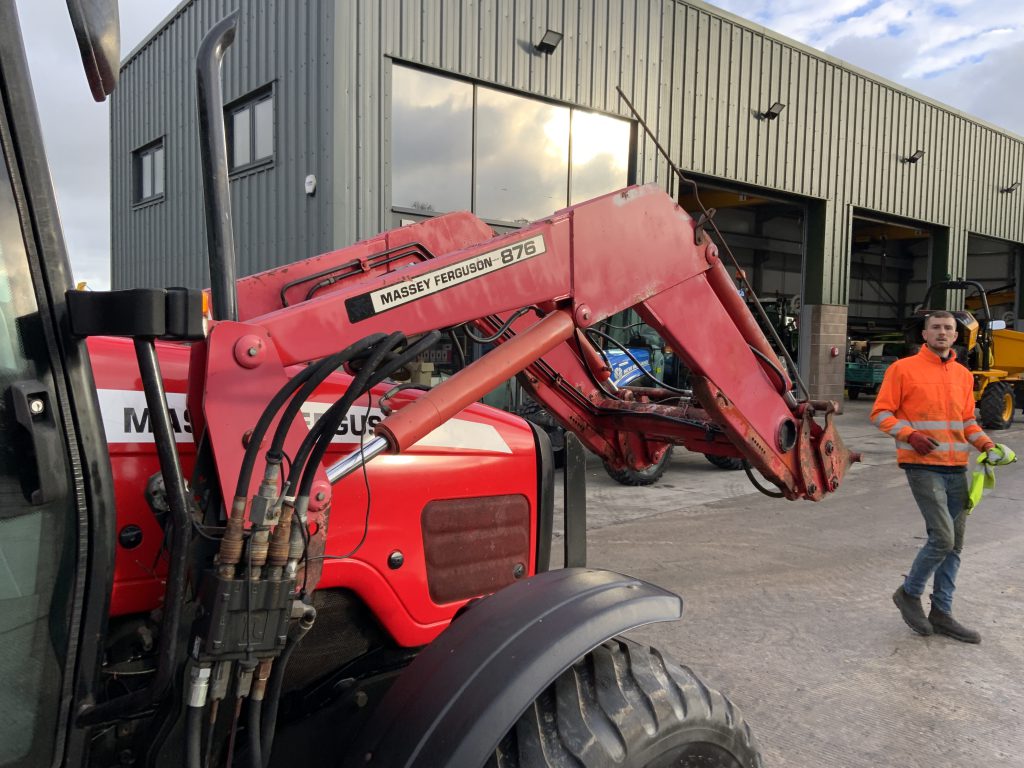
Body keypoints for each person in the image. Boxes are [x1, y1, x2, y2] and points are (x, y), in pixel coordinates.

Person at [870, 310, 1014, 643]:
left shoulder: (964, 376)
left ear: (955, 336)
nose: (942, 332)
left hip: (956, 467)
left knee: (956, 545)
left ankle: (943, 612)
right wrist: (910, 435)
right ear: (924, 334)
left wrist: (987, 444)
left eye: (948, 328)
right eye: (935, 327)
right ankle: (909, 593)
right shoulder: (902, 370)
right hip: (922, 464)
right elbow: (880, 413)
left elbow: (967, 421)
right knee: (943, 539)